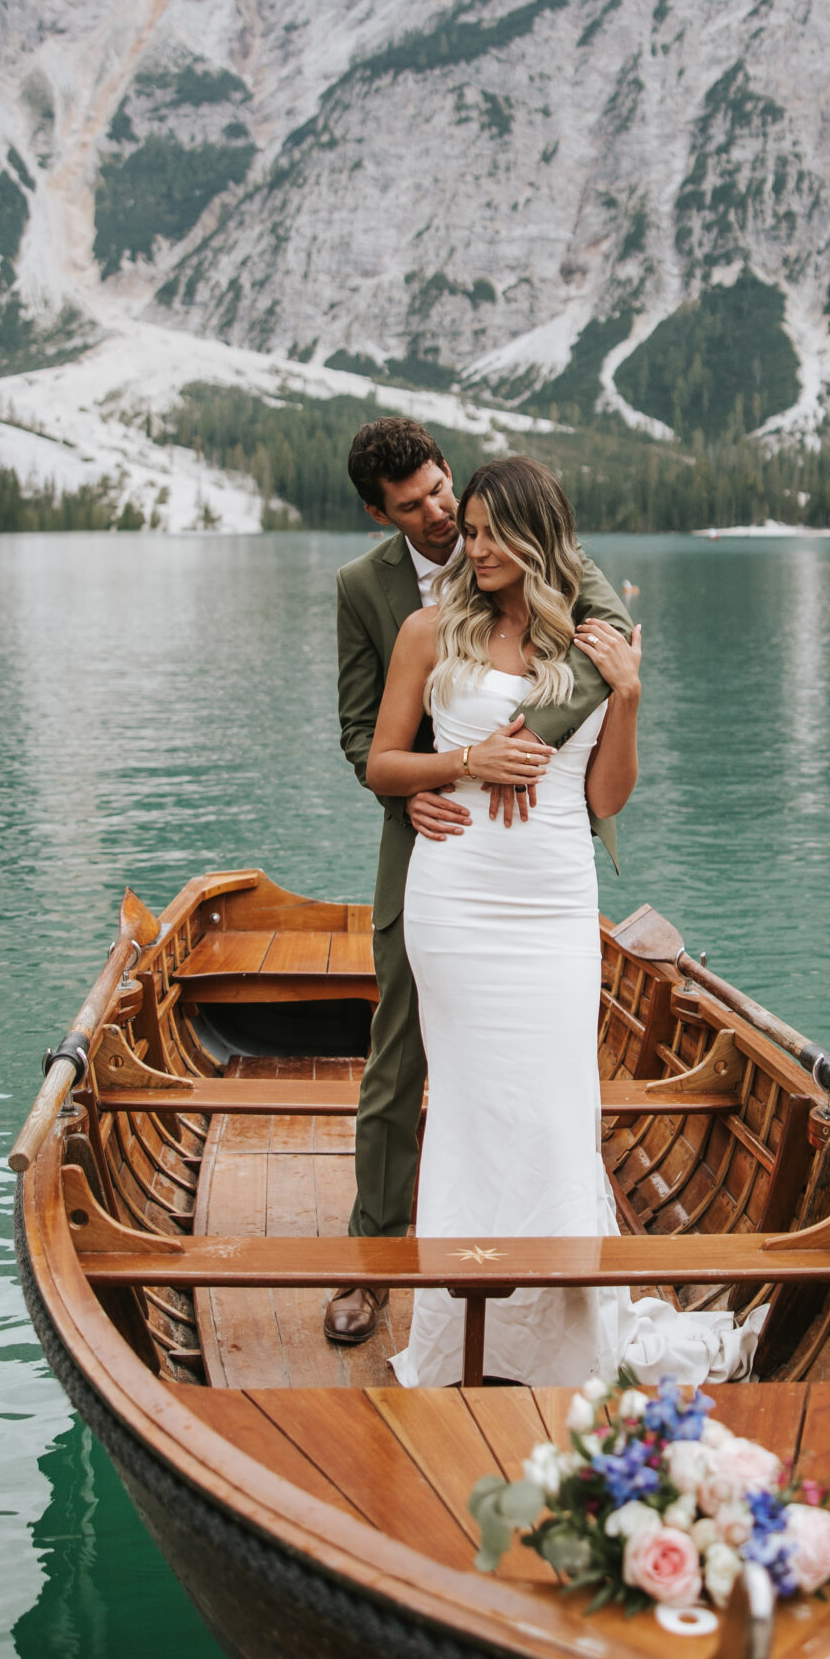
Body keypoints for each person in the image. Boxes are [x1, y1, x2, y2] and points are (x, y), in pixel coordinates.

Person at [328, 419, 631, 1346]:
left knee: (548, 1087)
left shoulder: (566, 579)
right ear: (379, 513)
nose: (444, 521)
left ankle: (555, 1300)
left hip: (542, 869)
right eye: (413, 508)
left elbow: (610, 666)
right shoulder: (374, 596)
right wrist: (449, 772)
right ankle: (375, 1263)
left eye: (440, 494)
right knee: (399, 1050)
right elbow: (363, 744)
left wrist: (567, 725)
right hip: (435, 840)